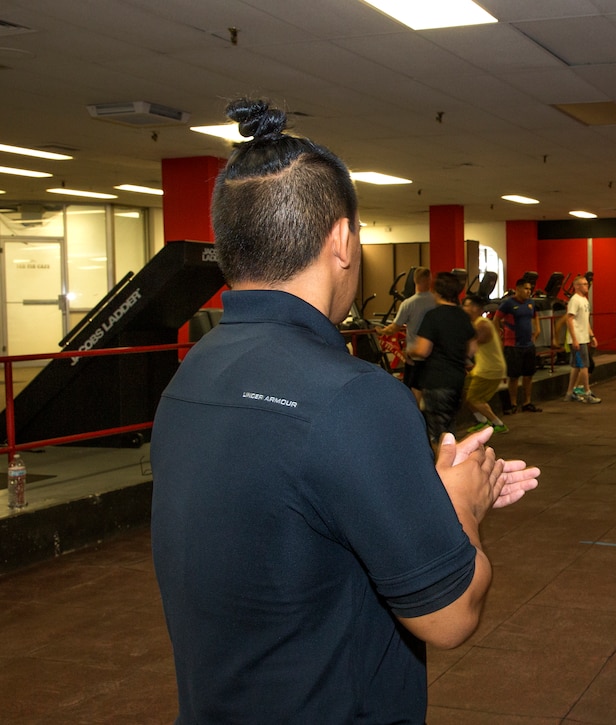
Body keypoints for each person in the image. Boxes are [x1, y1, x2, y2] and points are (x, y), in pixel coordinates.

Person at [150, 98, 539, 723]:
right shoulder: (353, 394)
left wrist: (413, 493)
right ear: (342, 240)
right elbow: (448, 618)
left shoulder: (195, 371)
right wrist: (459, 505)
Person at [409, 272, 477, 445]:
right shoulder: (462, 316)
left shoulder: (433, 316)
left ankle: (443, 469)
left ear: (436, 291)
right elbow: (471, 349)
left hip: (436, 380)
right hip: (457, 380)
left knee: (438, 435)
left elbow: (423, 350)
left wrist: (411, 351)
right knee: (449, 428)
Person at [379, 267, 435, 404]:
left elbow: (394, 327)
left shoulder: (408, 304)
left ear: (415, 281)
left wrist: (381, 331)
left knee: (413, 389)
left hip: (414, 354)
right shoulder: (437, 302)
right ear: (429, 280)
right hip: (434, 354)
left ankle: (415, 417)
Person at [494, 277, 542, 413]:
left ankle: (527, 402)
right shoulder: (508, 304)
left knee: (529, 375)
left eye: (530, 289)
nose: (528, 291)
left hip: (528, 345)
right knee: (514, 376)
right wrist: (499, 334)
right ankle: (513, 404)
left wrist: (537, 330)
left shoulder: (531, 303)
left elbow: (535, 316)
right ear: (518, 289)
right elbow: (496, 318)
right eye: (526, 289)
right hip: (513, 345)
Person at [462, 294, 509, 433]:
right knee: (465, 391)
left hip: (490, 369)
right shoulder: (475, 323)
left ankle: (498, 424)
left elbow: (472, 343)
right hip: (481, 367)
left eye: (467, 305)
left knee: (474, 398)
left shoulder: (482, 324)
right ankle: (482, 421)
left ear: (476, 308)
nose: (464, 308)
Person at [563, 275, 602, 403]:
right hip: (578, 340)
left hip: (583, 338)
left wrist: (592, 335)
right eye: (584, 284)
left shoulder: (584, 300)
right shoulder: (575, 300)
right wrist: (574, 339)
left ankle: (570, 393)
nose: (587, 286)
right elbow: (569, 319)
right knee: (584, 365)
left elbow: (585, 321)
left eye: (587, 284)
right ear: (577, 286)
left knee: (576, 366)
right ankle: (586, 392)